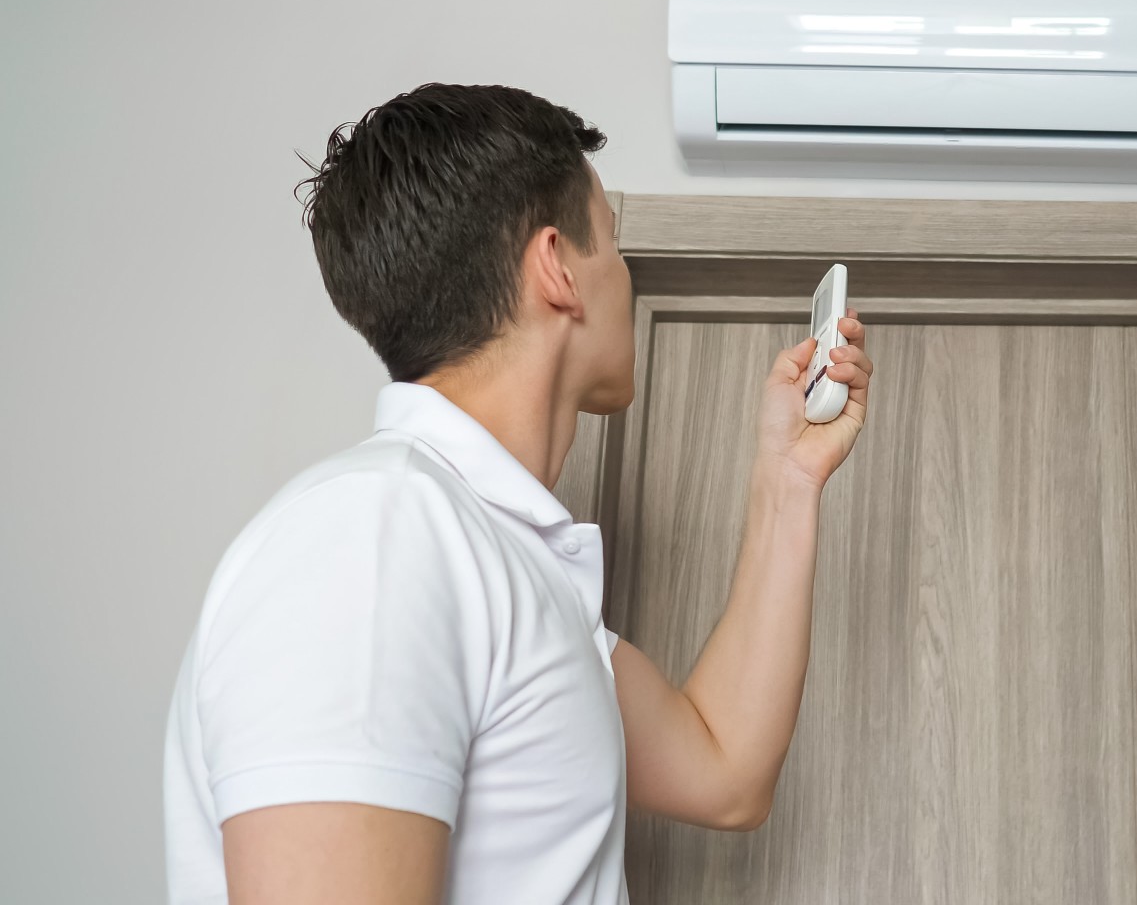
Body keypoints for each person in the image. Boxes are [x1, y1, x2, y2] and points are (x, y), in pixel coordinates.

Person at [161, 83, 873, 905]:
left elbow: (724, 769)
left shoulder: (496, 561)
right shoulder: (377, 544)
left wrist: (789, 477)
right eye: (613, 243)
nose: (626, 276)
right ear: (557, 267)